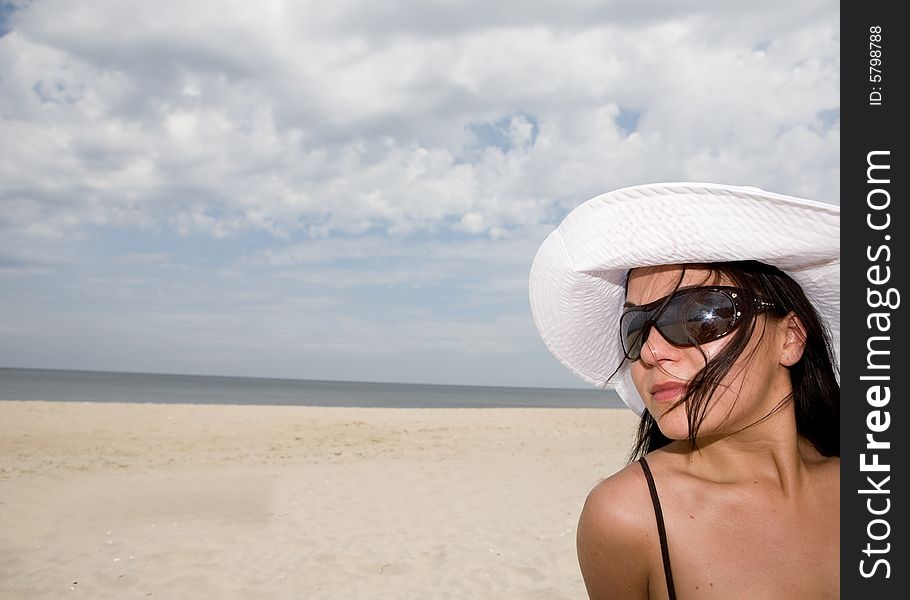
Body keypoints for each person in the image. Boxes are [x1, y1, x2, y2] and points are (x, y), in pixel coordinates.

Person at [528, 182, 839, 599]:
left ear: (791, 337)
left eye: (698, 315)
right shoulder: (629, 519)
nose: (652, 352)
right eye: (635, 328)